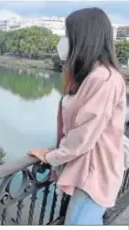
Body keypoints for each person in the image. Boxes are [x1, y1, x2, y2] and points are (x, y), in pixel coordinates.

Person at [27, 7, 126, 225]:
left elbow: (84, 133)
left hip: (94, 174)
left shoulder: (103, 79)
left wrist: (51, 156)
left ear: (83, 36)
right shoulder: (93, 75)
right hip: (88, 171)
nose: (65, 39)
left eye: (69, 33)